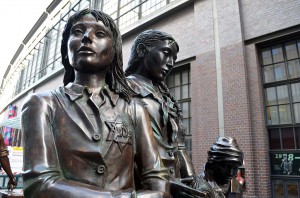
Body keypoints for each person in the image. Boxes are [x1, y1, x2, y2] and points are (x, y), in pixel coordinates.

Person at [21, 9, 170, 198]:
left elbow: (156, 176)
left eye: (99, 34)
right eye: (77, 32)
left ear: (114, 51)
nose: (86, 37)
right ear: (66, 51)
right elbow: (39, 183)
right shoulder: (43, 104)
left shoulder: (134, 109)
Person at [125, 30, 206, 197]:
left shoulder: (166, 98)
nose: (170, 63)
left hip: (174, 188)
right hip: (141, 188)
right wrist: (164, 184)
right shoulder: (123, 90)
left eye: (174, 59)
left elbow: (180, 147)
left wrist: (192, 182)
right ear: (142, 51)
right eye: (166, 54)